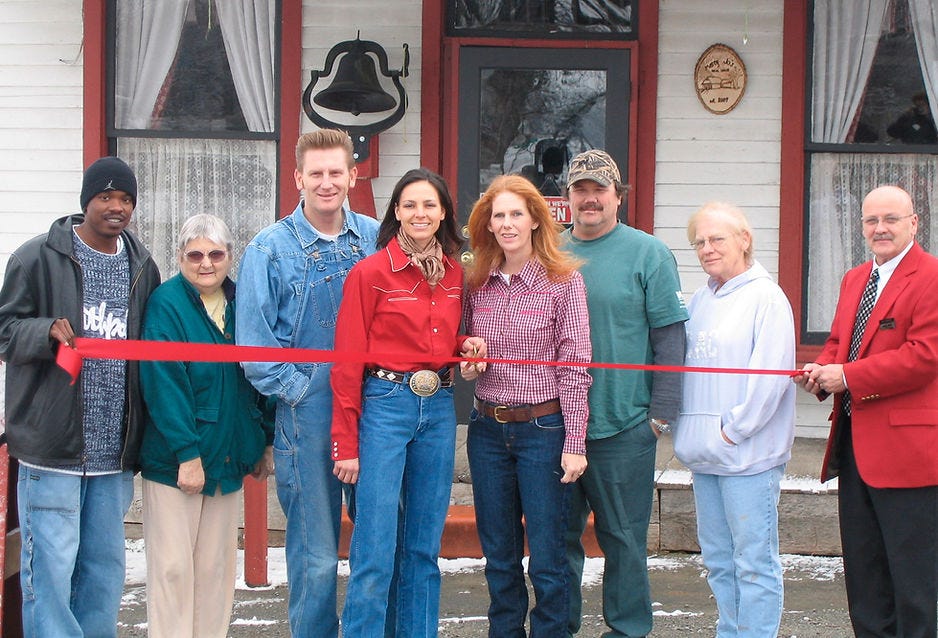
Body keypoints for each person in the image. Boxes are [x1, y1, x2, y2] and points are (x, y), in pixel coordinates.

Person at [0, 156, 160, 637]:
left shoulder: (142, 267)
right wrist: (44, 330)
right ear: (86, 200)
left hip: (113, 454)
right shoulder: (35, 258)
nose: (117, 207)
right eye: (105, 197)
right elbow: (5, 332)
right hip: (52, 450)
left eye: (126, 199)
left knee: (103, 572)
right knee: (49, 572)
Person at [236, 129, 380, 638]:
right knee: (315, 556)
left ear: (353, 176)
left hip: (375, 409)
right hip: (307, 419)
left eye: (335, 172)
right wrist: (305, 391)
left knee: (377, 545)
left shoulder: (377, 239)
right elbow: (255, 352)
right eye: (315, 173)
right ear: (297, 177)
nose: (326, 183)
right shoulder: (268, 250)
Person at [330, 168, 485, 637]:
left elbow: (444, 337)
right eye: (410, 204)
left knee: (422, 548)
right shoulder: (370, 273)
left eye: (429, 205)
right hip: (385, 406)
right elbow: (346, 362)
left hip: (437, 408)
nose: (420, 213)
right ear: (396, 212)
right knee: (375, 547)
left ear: (443, 214)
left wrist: (465, 345)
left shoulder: (456, 274)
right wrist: (345, 443)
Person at [795, 185, 938, 637]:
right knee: (866, 581)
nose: (880, 229)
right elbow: (842, 342)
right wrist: (821, 370)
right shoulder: (855, 278)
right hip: (855, 449)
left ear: (914, 223)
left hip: (910, 456)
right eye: (871, 220)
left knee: (915, 587)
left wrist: (849, 376)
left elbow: (925, 356)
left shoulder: (932, 276)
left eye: (891, 219)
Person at [561, 149, 688, 638]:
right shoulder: (547, 249)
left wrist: (659, 416)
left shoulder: (648, 253)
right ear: (569, 197)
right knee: (556, 541)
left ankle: (628, 629)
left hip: (623, 424)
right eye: (581, 190)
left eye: (600, 190)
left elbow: (670, 338)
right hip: (554, 423)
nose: (590, 199)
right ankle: (558, 626)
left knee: (624, 540)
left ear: (619, 196)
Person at [460, 175, 592, 636]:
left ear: (536, 219)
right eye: (498, 215)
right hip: (487, 430)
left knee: (548, 559)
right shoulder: (477, 282)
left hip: (543, 430)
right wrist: (470, 358)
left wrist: (575, 443)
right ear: (488, 224)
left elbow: (575, 367)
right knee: (499, 557)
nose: (507, 223)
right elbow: (465, 347)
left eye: (516, 213)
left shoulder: (564, 282)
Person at [139, 214, 274, 638]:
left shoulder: (242, 302)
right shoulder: (166, 305)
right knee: (173, 569)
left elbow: (261, 373)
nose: (206, 264)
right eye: (195, 255)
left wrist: (263, 440)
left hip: (229, 455)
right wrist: (187, 454)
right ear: (180, 256)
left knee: (215, 570)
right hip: (176, 461)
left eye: (216, 254)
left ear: (230, 256)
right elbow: (164, 384)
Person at [675, 202, 795, 637]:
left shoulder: (767, 298)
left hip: (747, 457)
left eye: (716, 239)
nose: (706, 248)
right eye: (699, 242)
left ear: (744, 240)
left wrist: (733, 430)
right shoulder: (701, 300)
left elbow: (771, 377)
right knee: (719, 561)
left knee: (754, 562)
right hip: (704, 456)